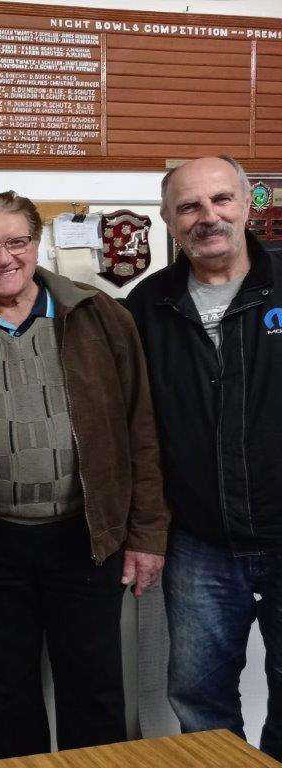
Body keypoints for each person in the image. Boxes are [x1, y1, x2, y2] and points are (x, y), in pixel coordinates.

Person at [0, 191, 169, 760]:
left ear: (38, 243)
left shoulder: (101, 318)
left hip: (86, 539)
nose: (3, 258)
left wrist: (147, 534)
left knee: (94, 689)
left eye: (16, 241)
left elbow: (140, 431)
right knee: (6, 691)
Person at [127, 156, 282, 759]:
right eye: (188, 207)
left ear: (249, 204)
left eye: (220, 200)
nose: (207, 217)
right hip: (200, 544)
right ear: (167, 219)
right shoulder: (148, 306)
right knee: (197, 695)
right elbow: (135, 426)